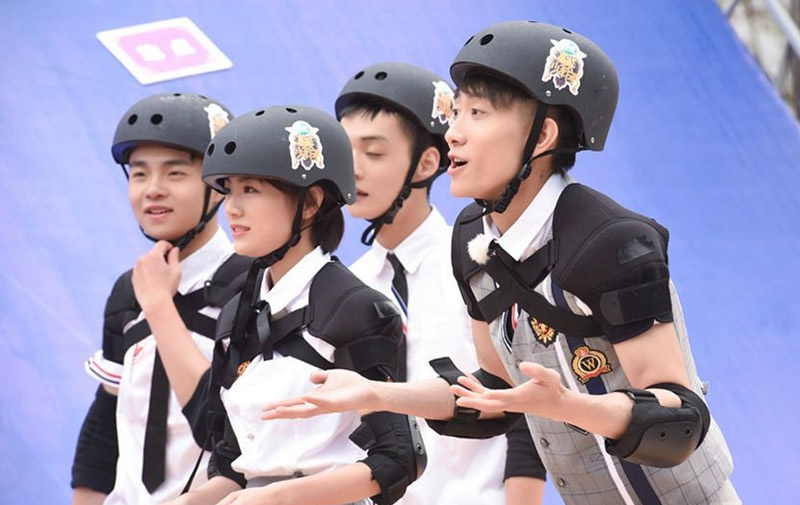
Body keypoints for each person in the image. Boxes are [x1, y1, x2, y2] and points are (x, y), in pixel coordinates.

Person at [263, 21, 740, 505]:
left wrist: (564, 405)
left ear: (542, 135)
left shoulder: (611, 242)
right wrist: (375, 394)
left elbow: (677, 418)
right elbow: (491, 389)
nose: (454, 133)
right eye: (456, 112)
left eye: (477, 113)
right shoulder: (472, 237)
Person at [137, 105, 424, 505]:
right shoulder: (239, 313)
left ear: (310, 202)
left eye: (250, 190)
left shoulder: (357, 309)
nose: (232, 208)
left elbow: (398, 459)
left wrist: (279, 497)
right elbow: (232, 462)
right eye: (229, 190)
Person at [336, 62, 545, 505]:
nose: (352, 170)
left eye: (373, 153)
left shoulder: (479, 265)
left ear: (426, 163)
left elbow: (526, 402)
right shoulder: (346, 286)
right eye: (344, 150)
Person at [71, 93, 251, 505]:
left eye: (175, 173)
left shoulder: (254, 286)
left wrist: (159, 306)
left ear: (220, 186)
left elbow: (227, 428)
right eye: (139, 174)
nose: (152, 190)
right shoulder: (128, 289)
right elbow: (106, 424)